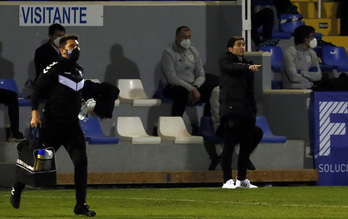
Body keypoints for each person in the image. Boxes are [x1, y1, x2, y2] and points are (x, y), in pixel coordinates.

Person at [10, 34, 96, 217]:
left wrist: (82, 105)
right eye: (73, 46)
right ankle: (16, 189)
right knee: (34, 162)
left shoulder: (79, 70)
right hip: (53, 124)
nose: (77, 49)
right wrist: (34, 114)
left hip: (72, 125)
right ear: (62, 50)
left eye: (78, 46)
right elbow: (38, 90)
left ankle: (80, 204)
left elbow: (71, 94)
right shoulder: (54, 68)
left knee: (81, 162)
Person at [219, 36, 263, 189]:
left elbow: (251, 90)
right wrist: (247, 67)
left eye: (243, 44)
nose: (242, 47)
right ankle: (226, 180)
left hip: (246, 111)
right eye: (238, 45)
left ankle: (242, 179)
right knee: (229, 145)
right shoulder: (225, 61)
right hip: (231, 110)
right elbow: (233, 67)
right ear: (230, 49)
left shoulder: (247, 65)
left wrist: (253, 109)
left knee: (245, 145)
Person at [160, 26, 217, 132]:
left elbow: (201, 74)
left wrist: (195, 87)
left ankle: (207, 123)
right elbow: (172, 78)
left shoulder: (193, 51)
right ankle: (173, 128)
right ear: (176, 37)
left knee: (215, 86)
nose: (187, 40)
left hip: (192, 85)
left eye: (189, 37)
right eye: (183, 37)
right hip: (173, 86)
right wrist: (192, 90)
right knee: (181, 93)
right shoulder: (168, 53)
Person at [206, 85, 259, 171]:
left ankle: (243, 156)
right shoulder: (217, 92)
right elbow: (219, 115)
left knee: (257, 132)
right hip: (221, 125)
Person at [281, 25, 322, 89]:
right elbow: (293, 77)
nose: (314, 38)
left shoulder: (312, 53)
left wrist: (302, 73)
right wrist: (310, 79)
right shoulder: (289, 53)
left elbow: (318, 76)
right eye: (312, 36)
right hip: (292, 90)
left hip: (309, 87)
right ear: (305, 39)